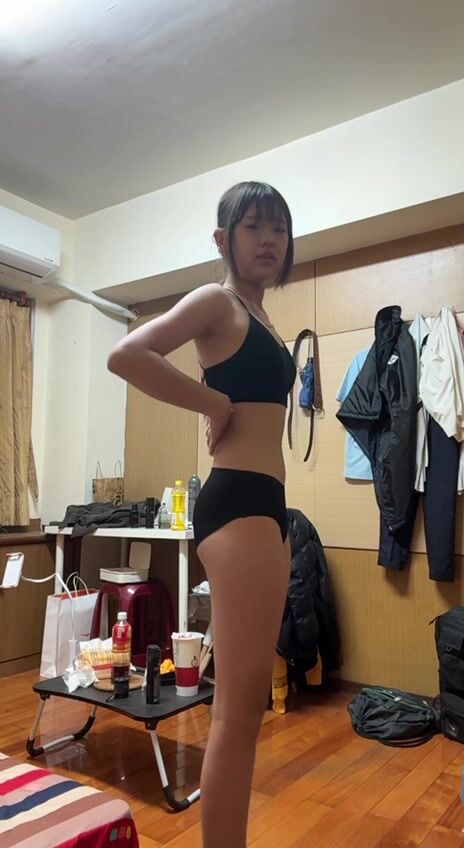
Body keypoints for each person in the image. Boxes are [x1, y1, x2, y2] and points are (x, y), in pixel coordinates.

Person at [107, 180, 296, 848]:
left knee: (246, 706)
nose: (269, 239)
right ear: (223, 239)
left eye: (278, 228)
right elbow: (127, 354)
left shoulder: (262, 315)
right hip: (238, 502)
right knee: (236, 714)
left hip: (266, 506)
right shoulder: (218, 301)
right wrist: (212, 404)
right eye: (254, 226)